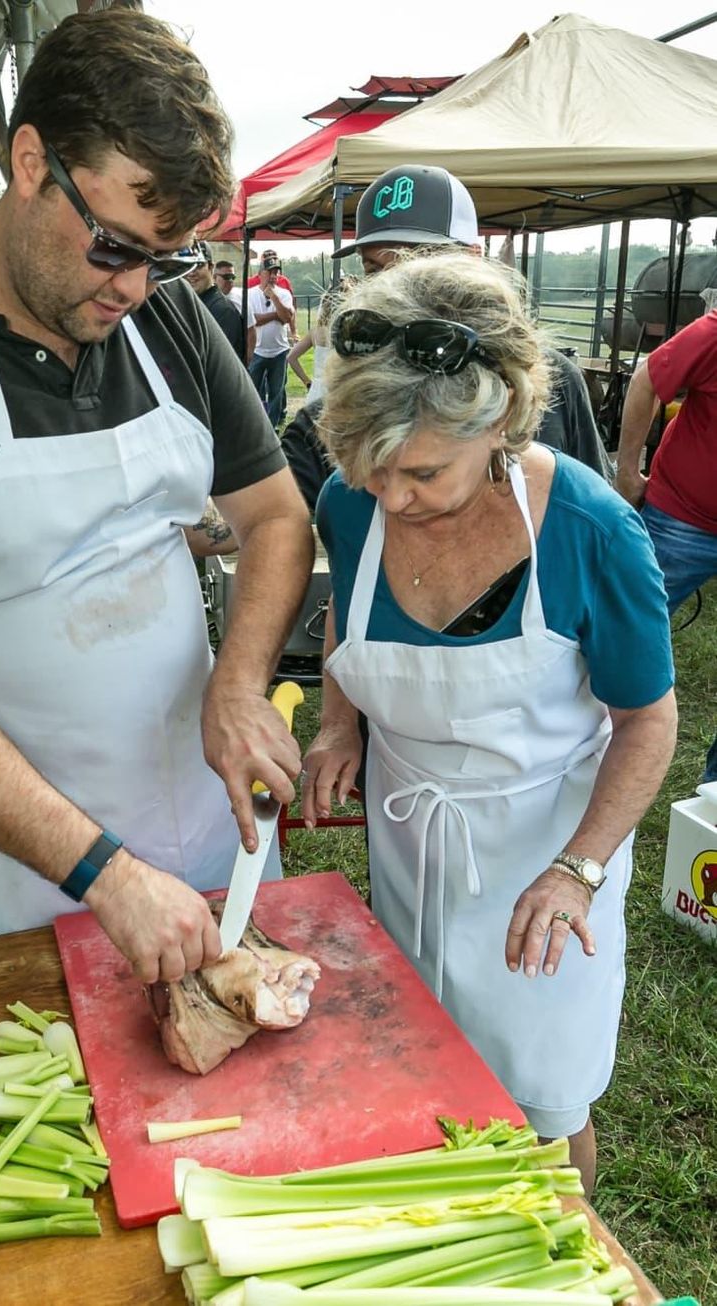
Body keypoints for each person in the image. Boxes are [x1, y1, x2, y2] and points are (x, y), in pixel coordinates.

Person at [0, 9, 312, 979]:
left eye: (166, 258)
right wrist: (107, 874)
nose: (134, 290)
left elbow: (276, 516)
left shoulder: (168, 321)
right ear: (29, 161)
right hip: (30, 873)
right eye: (116, 247)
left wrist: (238, 681)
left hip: (213, 826)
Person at [302, 252, 677, 1192]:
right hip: (412, 846)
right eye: (371, 468)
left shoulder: (589, 528)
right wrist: (339, 726)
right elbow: (349, 624)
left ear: (500, 420)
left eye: (424, 471)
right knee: (420, 1078)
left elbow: (647, 724)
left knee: (544, 1108)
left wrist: (578, 871)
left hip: (543, 864)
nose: (391, 496)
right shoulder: (353, 505)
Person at [331, 165, 614, 480]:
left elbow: (594, 501)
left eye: (417, 263)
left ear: (472, 258)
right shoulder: (359, 377)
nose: (393, 287)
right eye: (374, 269)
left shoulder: (551, 376)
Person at [616, 298, 717, 782]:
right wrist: (627, 472)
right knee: (621, 630)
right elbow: (648, 380)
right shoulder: (714, 332)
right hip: (682, 520)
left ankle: (712, 799)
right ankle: (576, 754)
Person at [248, 257, 295, 428]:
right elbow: (253, 320)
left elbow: (287, 318)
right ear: (260, 274)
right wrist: (276, 315)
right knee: (253, 390)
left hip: (279, 351)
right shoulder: (251, 294)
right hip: (257, 351)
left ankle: (273, 426)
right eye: (270, 272)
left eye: (276, 272)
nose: (274, 276)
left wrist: (274, 298)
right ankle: (256, 424)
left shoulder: (284, 294)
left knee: (276, 392)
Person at [186, 241, 246, 362]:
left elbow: (225, 363)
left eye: (198, 265)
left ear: (211, 267)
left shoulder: (223, 311)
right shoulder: (193, 303)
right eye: (187, 266)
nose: (191, 273)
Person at [215, 260, 256, 362]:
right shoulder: (207, 298)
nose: (230, 281)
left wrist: (248, 356)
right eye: (226, 277)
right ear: (215, 277)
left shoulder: (240, 300)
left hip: (236, 356)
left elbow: (251, 330)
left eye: (232, 277)